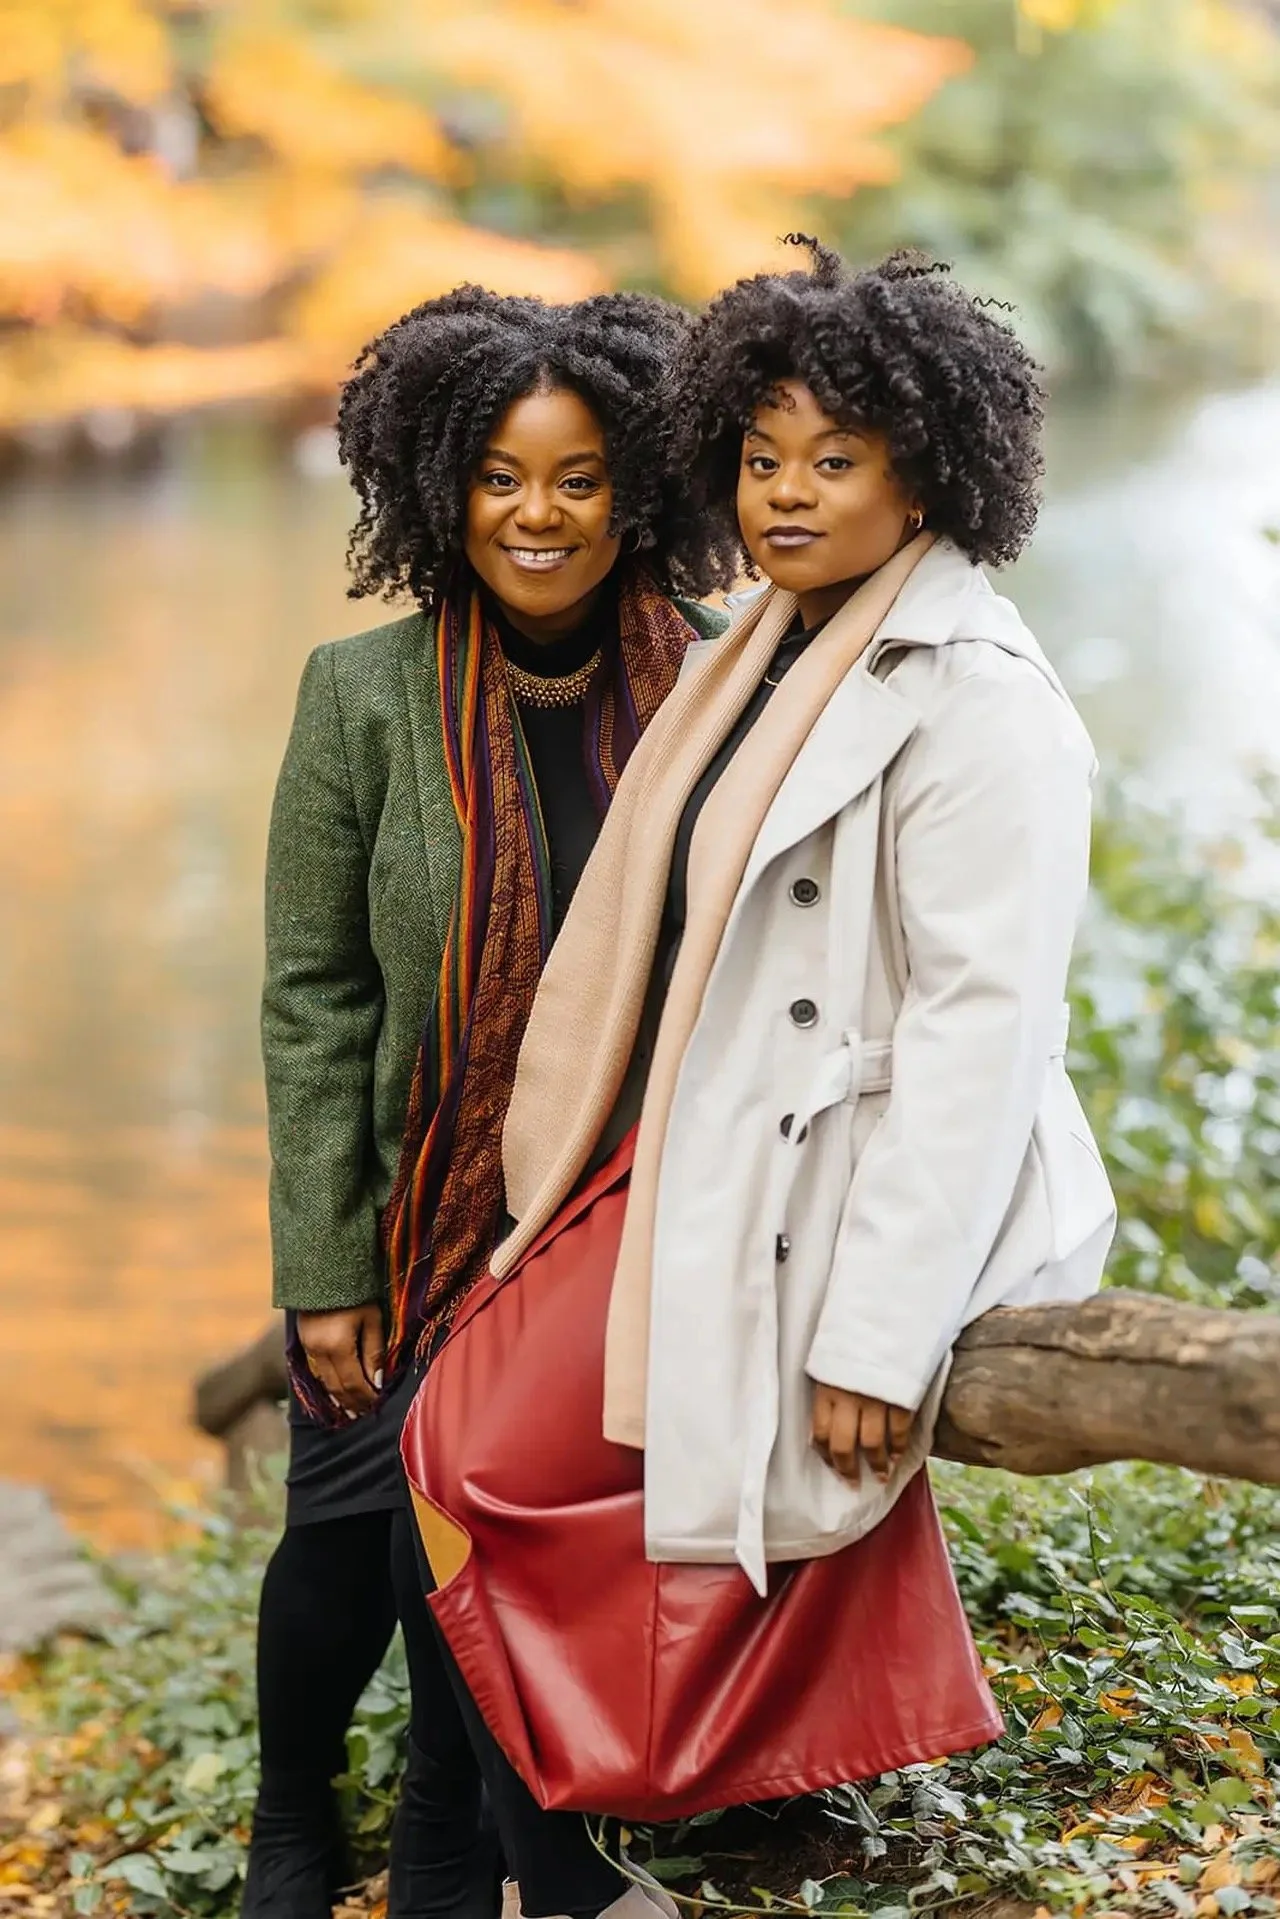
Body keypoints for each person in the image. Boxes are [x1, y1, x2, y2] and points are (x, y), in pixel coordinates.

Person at [400, 241, 1117, 1913]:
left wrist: (880, 1327)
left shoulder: (983, 699)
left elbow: (980, 1033)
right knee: (444, 1449)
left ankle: (542, 1877)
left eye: (836, 459)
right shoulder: (768, 643)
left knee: (470, 1455)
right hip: (692, 1151)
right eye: (760, 454)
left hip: (834, 1186)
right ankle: (530, 1876)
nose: (786, 494)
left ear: (929, 467)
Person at [248, 283, 727, 1919]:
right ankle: (291, 1818)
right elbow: (314, 993)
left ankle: (451, 1837)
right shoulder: (359, 695)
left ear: (641, 486)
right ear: (440, 484)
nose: (539, 513)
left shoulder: (722, 692)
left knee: (484, 1544)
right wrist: (323, 1263)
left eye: (581, 476)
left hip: (604, 1217)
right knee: (344, 1533)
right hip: (408, 1199)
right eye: (502, 476)